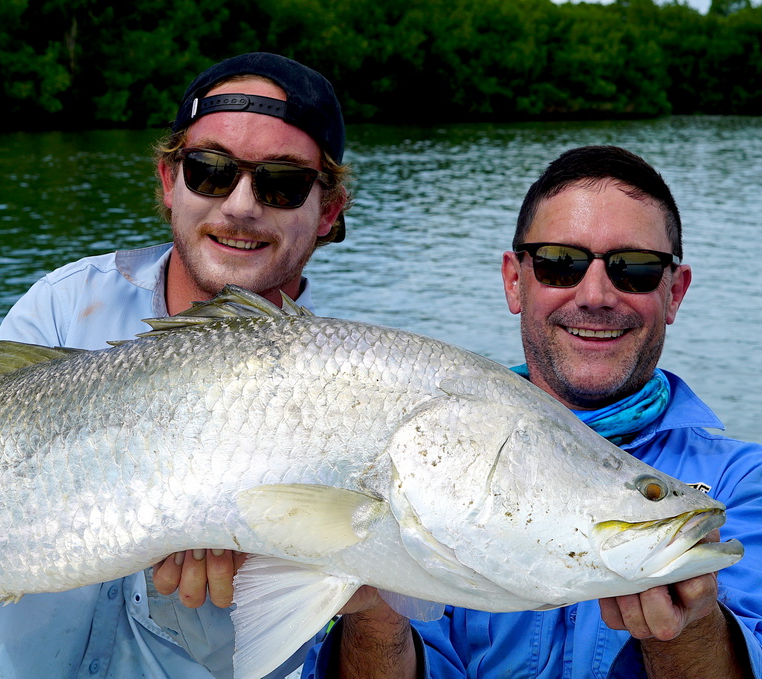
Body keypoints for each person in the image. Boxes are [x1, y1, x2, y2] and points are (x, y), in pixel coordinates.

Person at [0, 52, 352, 678]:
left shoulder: (355, 392)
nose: (242, 205)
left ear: (328, 210)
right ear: (170, 181)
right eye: (211, 170)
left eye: (283, 183)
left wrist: (304, 579)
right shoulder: (61, 305)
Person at [301, 145, 762, 678]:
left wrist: (691, 629)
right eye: (559, 264)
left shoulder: (743, 483)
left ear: (674, 292)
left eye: (633, 269)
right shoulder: (427, 448)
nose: (595, 295)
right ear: (514, 281)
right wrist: (378, 620)